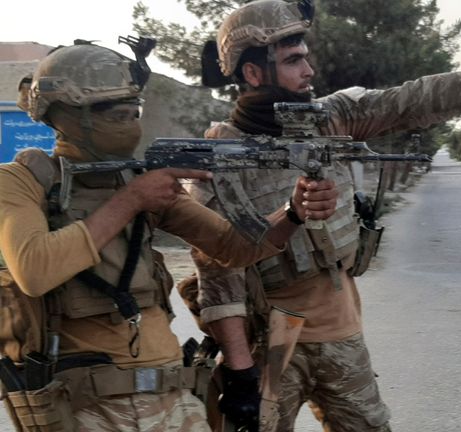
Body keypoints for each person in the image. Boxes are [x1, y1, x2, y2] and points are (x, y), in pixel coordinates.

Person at [182, 1, 461, 430]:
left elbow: (414, 99)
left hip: (342, 338)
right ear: (253, 74)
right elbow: (217, 276)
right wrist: (240, 372)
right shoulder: (221, 160)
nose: (308, 71)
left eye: (306, 56)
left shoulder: (332, 118)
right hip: (267, 344)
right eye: (292, 61)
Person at [0, 38, 338, 432]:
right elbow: (34, 269)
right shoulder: (19, 182)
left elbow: (233, 246)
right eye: (113, 112)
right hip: (84, 404)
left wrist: (293, 212)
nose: (129, 122)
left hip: (173, 394)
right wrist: (132, 199)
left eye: (133, 110)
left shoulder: (138, 180)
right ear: (65, 115)